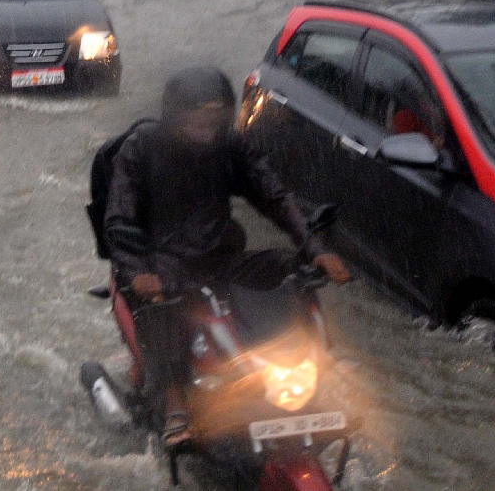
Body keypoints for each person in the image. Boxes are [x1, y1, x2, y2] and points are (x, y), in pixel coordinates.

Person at [99, 66, 350, 449]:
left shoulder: (230, 146)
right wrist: (138, 271)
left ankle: (313, 367)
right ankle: (175, 401)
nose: (207, 130)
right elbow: (119, 218)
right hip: (162, 263)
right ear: (175, 116)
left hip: (220, 257)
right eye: (198, 121)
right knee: (161, 303)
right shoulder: (141, 148)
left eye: (215, 121)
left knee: (290, 268)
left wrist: (317, 251)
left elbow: (274, 197)